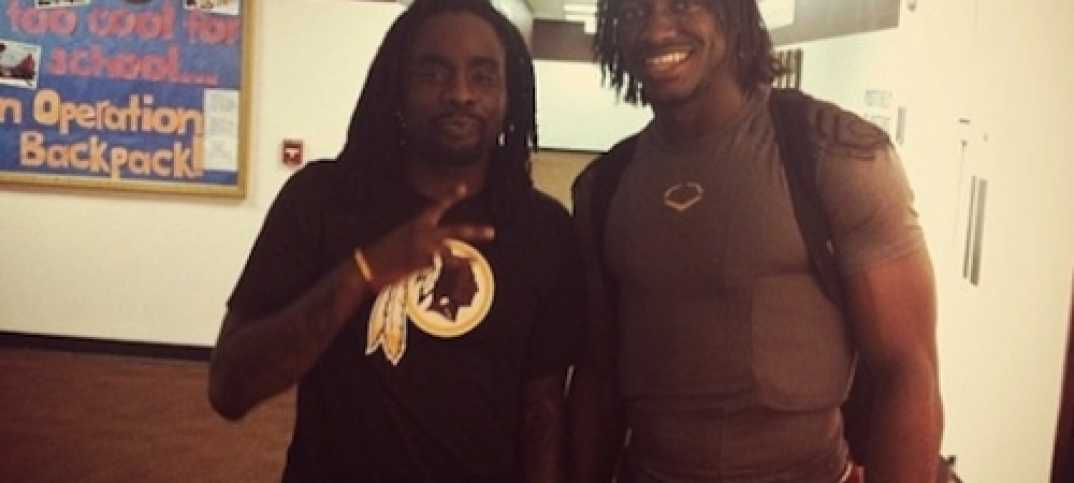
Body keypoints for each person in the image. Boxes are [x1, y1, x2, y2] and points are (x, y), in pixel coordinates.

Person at [566, 1, 942, 482]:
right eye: (635, 10)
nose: (656, 30)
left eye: (682, 4)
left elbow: (908, 371)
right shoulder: (604, 187)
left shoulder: (836, 154)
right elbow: (597, 379)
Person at [208, 0, 583, 481]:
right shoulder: (323, 200)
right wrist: (361, 273)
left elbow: (543, 412)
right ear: (398, 89)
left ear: (511, 96)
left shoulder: (543, 230)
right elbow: (230, 389)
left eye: (483, 76)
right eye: (433, 73)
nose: (461, 93)